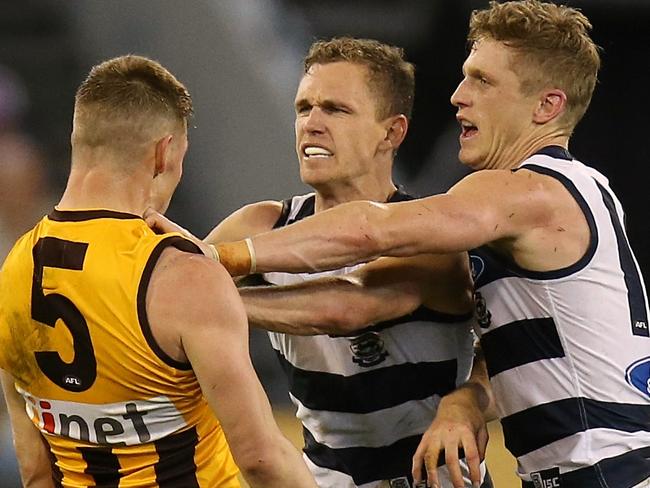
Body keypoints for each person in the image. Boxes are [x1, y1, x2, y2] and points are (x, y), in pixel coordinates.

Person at [200, 2, 650, 487]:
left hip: (602, 471)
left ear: (547, 106)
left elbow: (370, 239)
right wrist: (469, 399)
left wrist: (215, 265)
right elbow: (516, 352)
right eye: (304, 108)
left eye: (482, 81)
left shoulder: (527, 191)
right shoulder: (559, 197)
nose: (458, 96)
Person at [148, 37, 493, 488]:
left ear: (392, 133)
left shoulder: (429, 236)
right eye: (303, 107)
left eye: (335, 109)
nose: (311, 123)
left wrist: (210, 299)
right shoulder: (262, 223)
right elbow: (156, 294)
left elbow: (347, 306)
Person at [0, 54, 317, 488]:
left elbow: (36, 473)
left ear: (80, 139)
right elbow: (262, 458)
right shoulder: (179, 275)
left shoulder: (13, 269)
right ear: (164, 153)